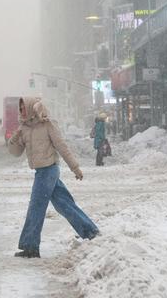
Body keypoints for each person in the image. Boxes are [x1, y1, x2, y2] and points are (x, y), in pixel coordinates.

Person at [7, 97, 99, 258]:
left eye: (23, 108)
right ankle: (90, 231)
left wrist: (75, 168)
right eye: (19, 109)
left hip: (49, 170)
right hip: (41, 172)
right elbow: (15, 152)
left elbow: (61, 146)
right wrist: (15, 138)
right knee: (64, 204)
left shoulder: (47, 124)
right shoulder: (25, 128)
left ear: (30, 107)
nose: (21, 111)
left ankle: (30, 247)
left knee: (36, 207)